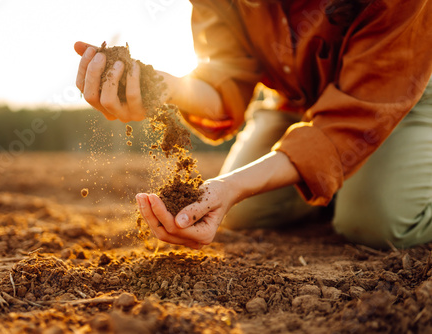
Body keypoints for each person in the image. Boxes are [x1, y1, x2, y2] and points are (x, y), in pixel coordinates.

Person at [74, 0, 432, 250]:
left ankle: (371, 183)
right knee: (245, 212)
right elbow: (225, 81)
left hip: (392, 94)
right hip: (297, 100)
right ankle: (340, 179)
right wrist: (160, 87)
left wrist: (232, 185)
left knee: (375, 224)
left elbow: (351, 120)